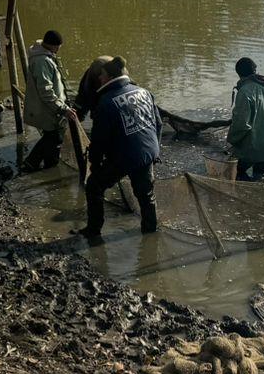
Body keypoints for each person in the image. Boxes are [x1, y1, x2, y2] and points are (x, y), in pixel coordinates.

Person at [80, 57, 161, 239]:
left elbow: (99, 140)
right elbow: (158, 123)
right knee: (146, 195)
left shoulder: (105, 102)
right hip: (147, 152)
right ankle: (150, 236)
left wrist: (94, 163)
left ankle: (93, 231)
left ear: (108, 77)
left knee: (94, 186)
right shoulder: (144, 91)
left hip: (124, 156)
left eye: (101, 76)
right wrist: (154, 151)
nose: (99, 79)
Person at [21, 29, 73, 171]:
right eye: (59, 46)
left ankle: (42, 164)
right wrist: (62, 108)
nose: (59, 49)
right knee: (53, 136)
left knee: (52, 137)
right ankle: (38, 165)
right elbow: (46, 91)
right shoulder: (41, 61)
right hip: (47, 108)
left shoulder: (45, 55)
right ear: (53, 45)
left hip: (50, 106)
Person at [227, 57, 264, 181]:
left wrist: (231, 139)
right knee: (261, 180)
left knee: (236, 175)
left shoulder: (245, 92)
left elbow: (242, 124)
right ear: (255, 71)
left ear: (239, 74)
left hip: (251, 148)